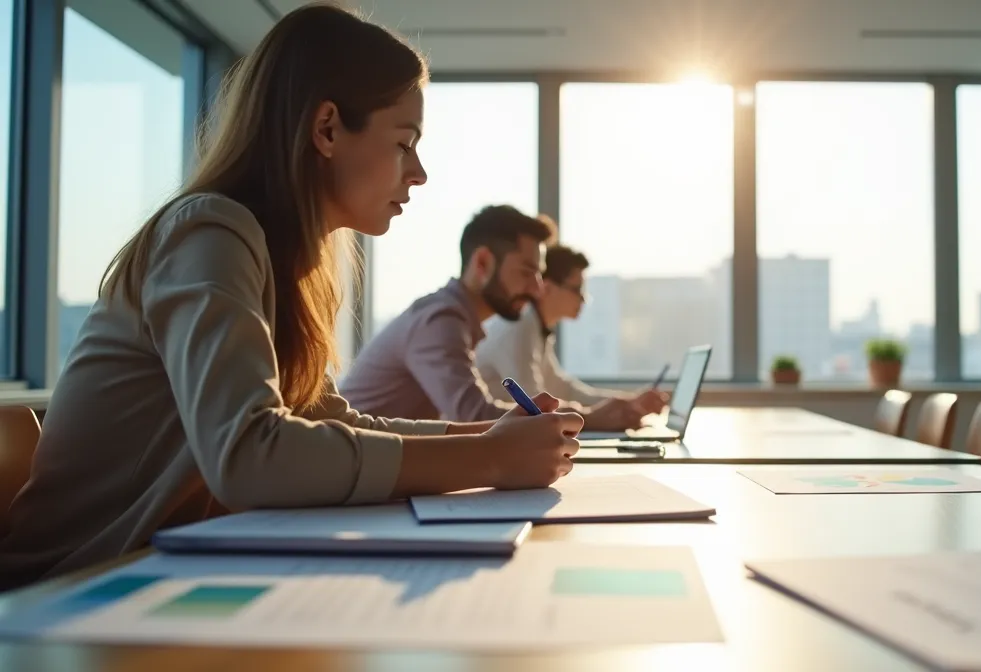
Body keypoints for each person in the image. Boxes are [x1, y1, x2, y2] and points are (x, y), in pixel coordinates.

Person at [0, 4, 580, 590]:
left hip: (159, 573)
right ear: (327, 128)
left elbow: (332, 422)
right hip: (68, 593)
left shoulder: (282, 265)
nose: (419, 172)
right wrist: (490, 459)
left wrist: (496, 437)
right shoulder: (209, 232)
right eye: (405, 143)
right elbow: (250, 456)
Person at [339, 207, 648, 430]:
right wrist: (589, 418)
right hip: (353, 476)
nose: (538, 288)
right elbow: (474, 417)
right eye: (528, 272)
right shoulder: (441, 319)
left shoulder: (456, 318)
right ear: (483, 263)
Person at [476, 243, 667, 414]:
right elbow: (536, 410)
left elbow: (564, 389)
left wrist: (630, 402)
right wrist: (600, 416)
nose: (583, 299)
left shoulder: (534, 326)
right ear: (547, 288)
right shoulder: (517, 329)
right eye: (577, 289)